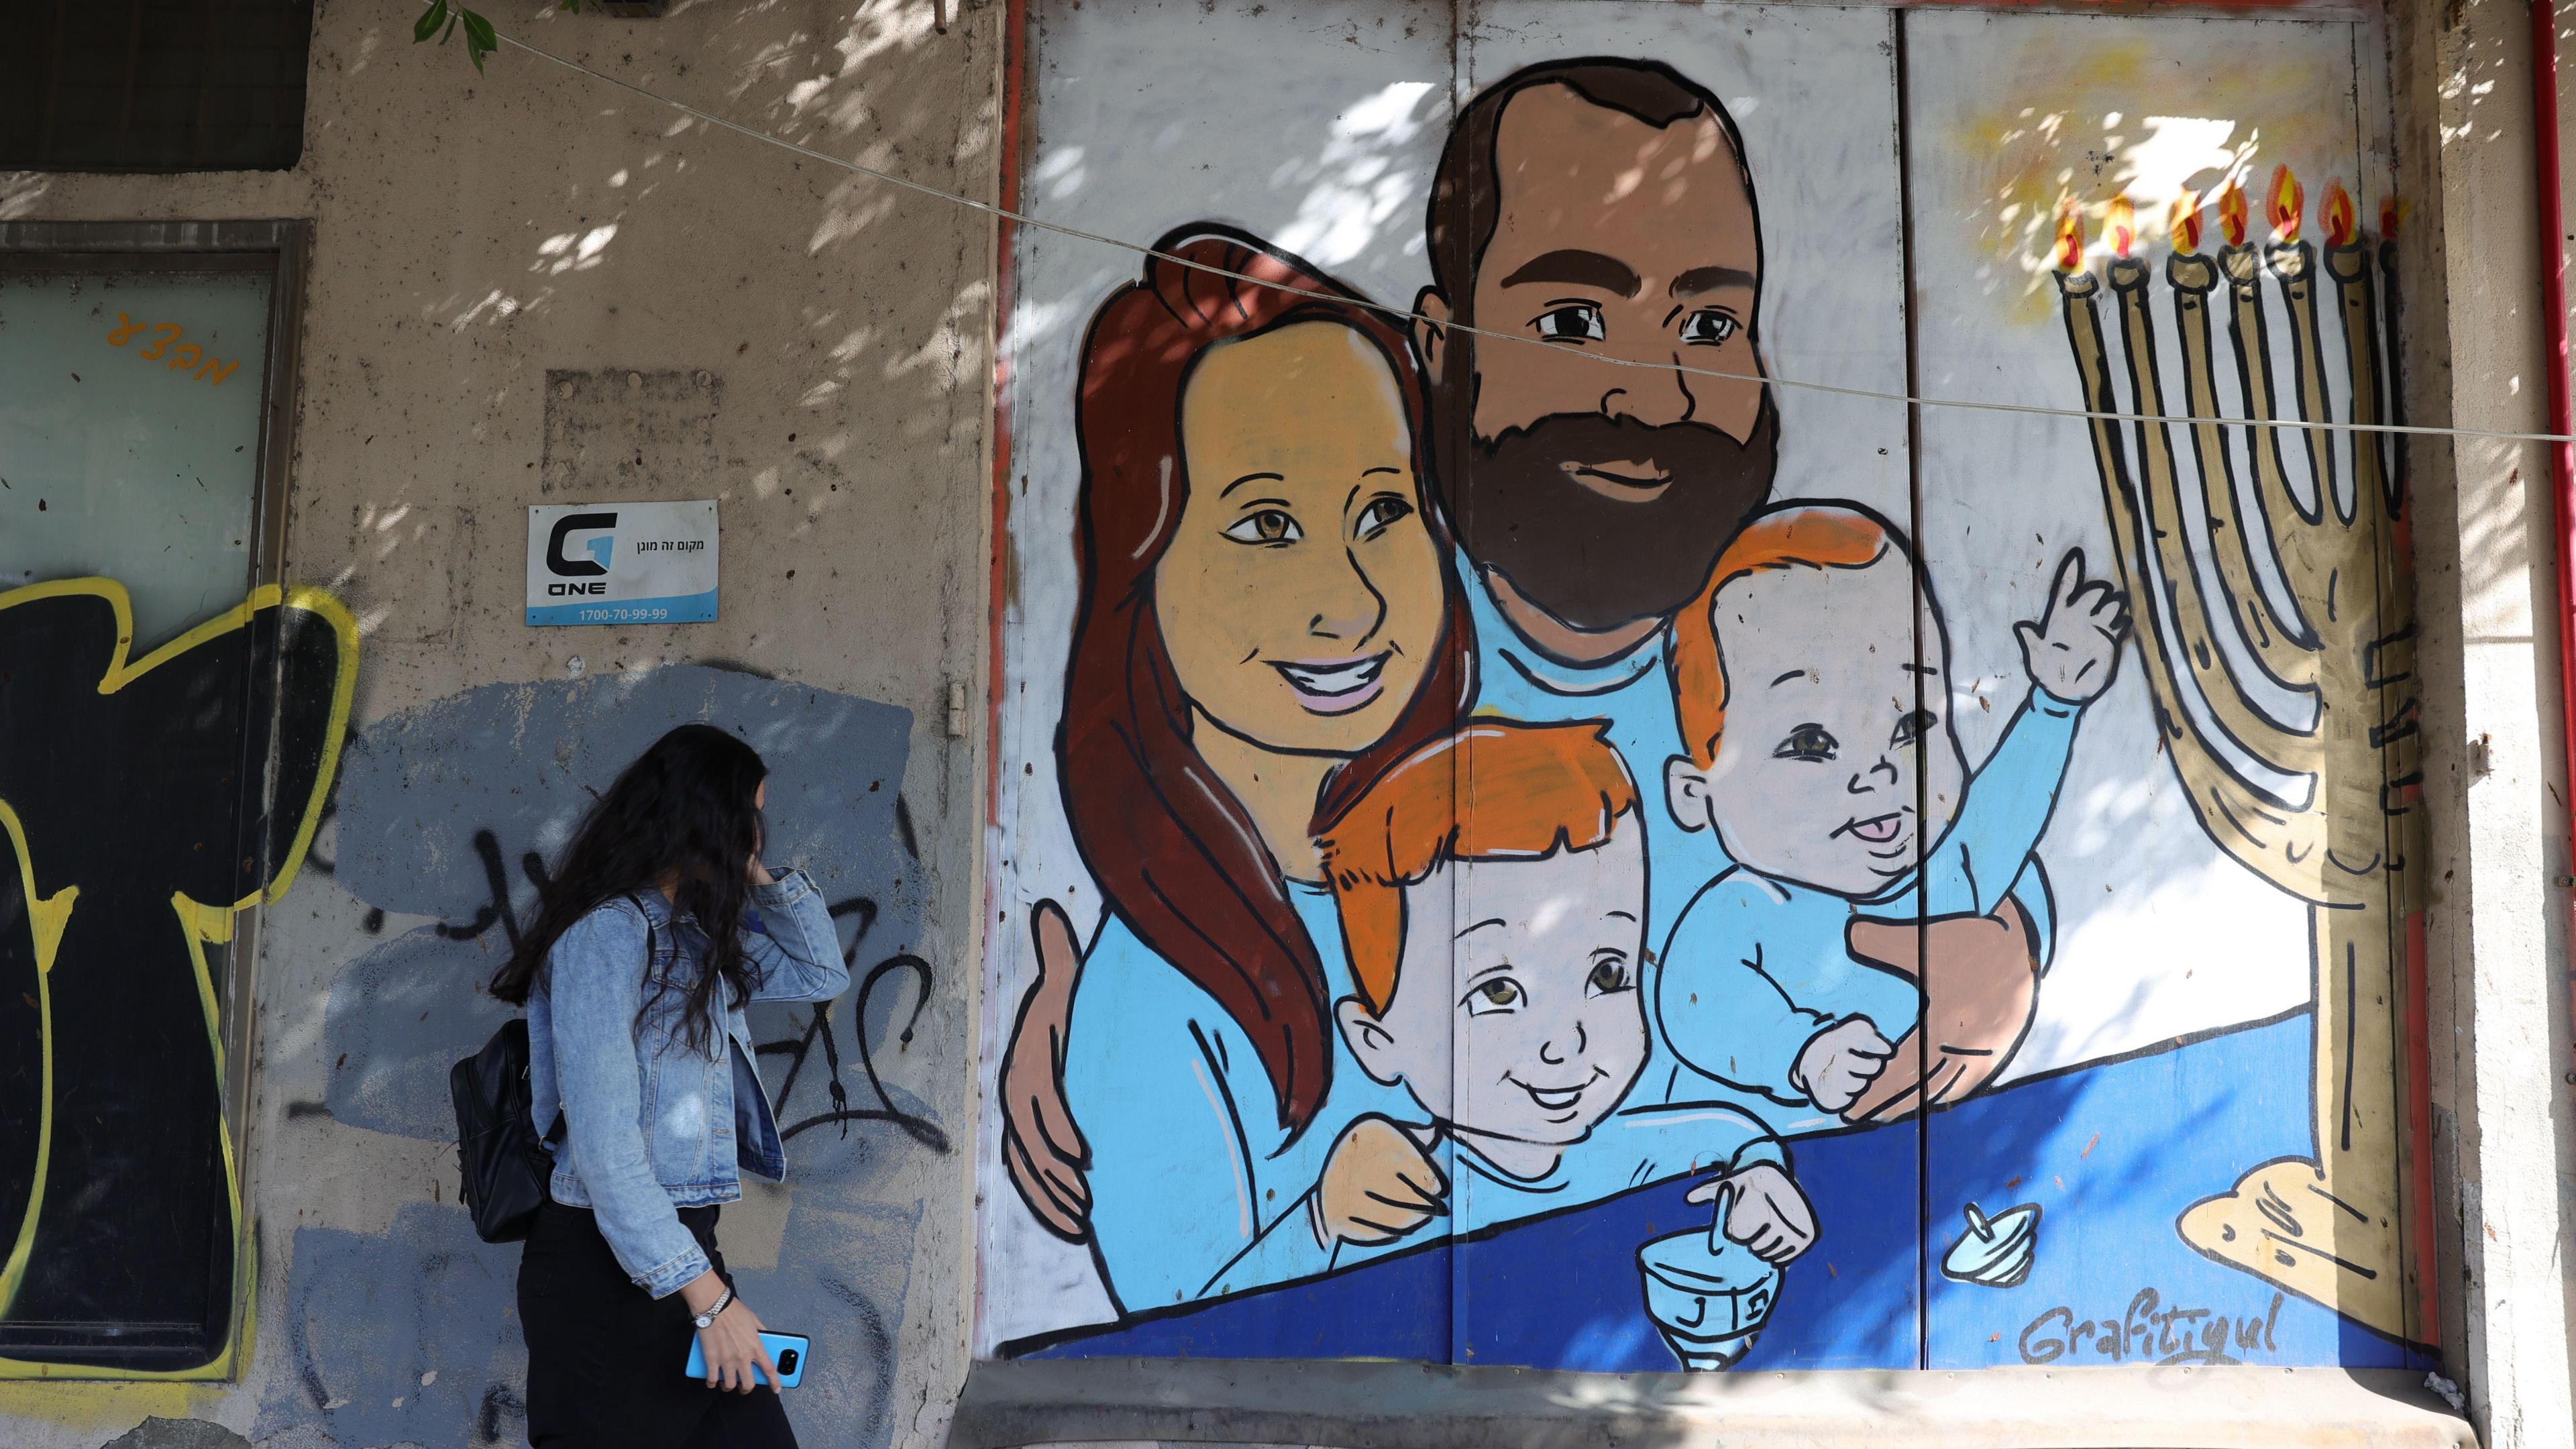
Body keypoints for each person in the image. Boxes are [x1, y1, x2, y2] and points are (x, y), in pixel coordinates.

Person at [1002, 58, 2056, 1244]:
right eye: (1570, 322)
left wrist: (2012, 944)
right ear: (1443, 348)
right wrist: (1106, 1028)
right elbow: (1223, 841)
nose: (1649, 395)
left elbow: (1915, 830)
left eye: (1708, 324)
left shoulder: (1776, 628)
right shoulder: (1378, 655)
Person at [1004, 227, 1476, 1309]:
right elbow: (1170, 1333)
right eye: (1268, 524)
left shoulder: (1470, 860)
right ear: (1142, 566)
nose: (1350, 603)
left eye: (1383, 512)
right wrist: (1322, 1221)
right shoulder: (1155, 989)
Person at [1202, 720, 1812, 1293]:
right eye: (1498, 992)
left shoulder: (1623, 1155)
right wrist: (1321, 1219)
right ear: (1375, 1041)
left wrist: (1759, 1174)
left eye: (1606, 973)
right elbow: (1214, 1325)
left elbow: (1732, 1134)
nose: (1564, 1043)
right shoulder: (1394, 1190)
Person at [1656, 506, 2129, 1114]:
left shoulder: (1953, 864)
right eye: (1809, 744)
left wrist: (2056, 703)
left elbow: (2009, 809)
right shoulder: (1743, 912)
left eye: (1911, 725)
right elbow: (1697, 1001)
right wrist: (1800, 1051)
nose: (1877, 772)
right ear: (1695, 793)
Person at [488, 723, 849, 1449]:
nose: (757, 835)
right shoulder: (607, 940)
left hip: (681, 1257)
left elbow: (821, 973)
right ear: (707, 818)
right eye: (749, 817)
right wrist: (712, 1304)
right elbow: (605, 1152)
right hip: (603, 1275)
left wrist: (754, 873)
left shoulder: (696, 939)